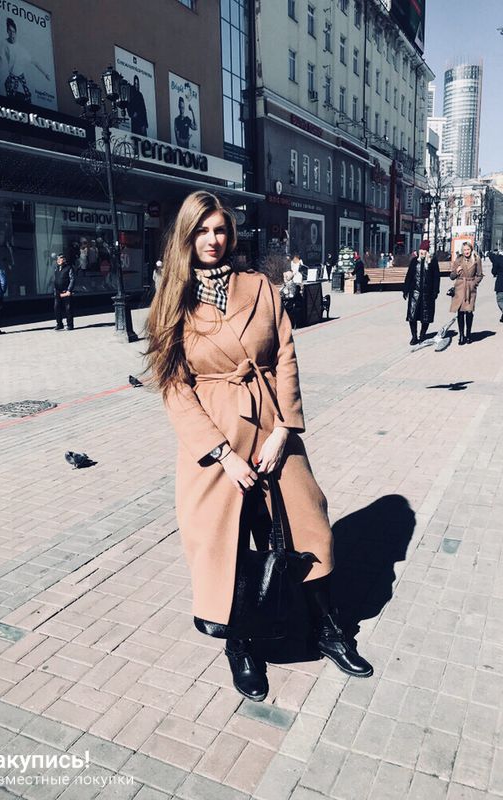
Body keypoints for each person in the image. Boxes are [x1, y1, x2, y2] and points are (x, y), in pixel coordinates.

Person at [145, 191, 373, 702]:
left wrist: (284, 429)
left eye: (219, 229)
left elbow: (286, 354)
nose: (212, 240)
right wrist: (223, 455)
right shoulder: (172, 300)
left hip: (271, 423)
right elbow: (175, 388)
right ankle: (241, 645)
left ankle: (328, 628)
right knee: (225, 544)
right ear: (186, 237)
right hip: (216, 438)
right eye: (202, 231)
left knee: (309, 525)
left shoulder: (260, 286)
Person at [0, 17, 50, 105]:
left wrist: (45, 74)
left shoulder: (21, 49)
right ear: (7, 31)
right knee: (10, 95)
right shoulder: (4, 43)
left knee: (27, 97)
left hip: (21, 77)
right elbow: (0, 59)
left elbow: (35, 62)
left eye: (13, 32)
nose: (12, 34)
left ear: (16, 32)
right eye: (10, 31)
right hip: (12, 77)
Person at [403, 239, 440, 345]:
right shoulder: (414, 261)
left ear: (428, 251)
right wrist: (405, 290)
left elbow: (436, 277)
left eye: (424, 250)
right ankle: (414, 336)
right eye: (421, 250)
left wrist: (435, 291)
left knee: (426, 316)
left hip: (427, 294)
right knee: (412, 315)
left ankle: (422, 334)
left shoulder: (432, 261)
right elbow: (409, 276)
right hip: (415, 292)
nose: (422, 252)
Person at [450, 241, 483, 345]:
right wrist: (456, 271)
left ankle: (468, 335)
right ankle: (461, 335)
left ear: (471, 249)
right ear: (462, 250)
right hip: (460, 287)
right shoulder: (458, 259)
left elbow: (480, 274)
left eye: (468, 249)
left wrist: (474, 284)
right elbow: (451, 276)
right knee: (460, 312)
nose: (466, 252)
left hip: (470, 288)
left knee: (469, 311)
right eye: (464, 250)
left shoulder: (476, 259)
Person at [53, 254, 75, 330]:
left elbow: (72, 279)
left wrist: (69, 290)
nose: (58, 260)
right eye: (57, 259)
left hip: (65, 291)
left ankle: (70, 325)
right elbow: (55, 279)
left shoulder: (69, 268)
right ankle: (59, 324)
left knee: (68, 308)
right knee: (56, 308)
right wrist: (55, 290)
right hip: (57, 291)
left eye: (60, 258)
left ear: (64, 260)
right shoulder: (56, 269)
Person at [489, 250, 503, 323]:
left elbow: (494, 271)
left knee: (500, 300)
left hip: (501, 283)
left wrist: (495, 273)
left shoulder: (498, 259)